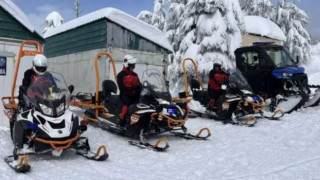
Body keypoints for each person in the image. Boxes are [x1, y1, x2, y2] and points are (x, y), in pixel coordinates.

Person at [117, 55, 142, 127]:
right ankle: (122, 121)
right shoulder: (121, 75)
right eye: (131, 65)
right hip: (125, 94)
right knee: (127, 104)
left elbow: (139, 84)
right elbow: (122, 88)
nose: (133, 67)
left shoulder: (135, 75)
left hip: (135, 94)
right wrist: (133, 88)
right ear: (126, 64)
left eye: (133, 65)